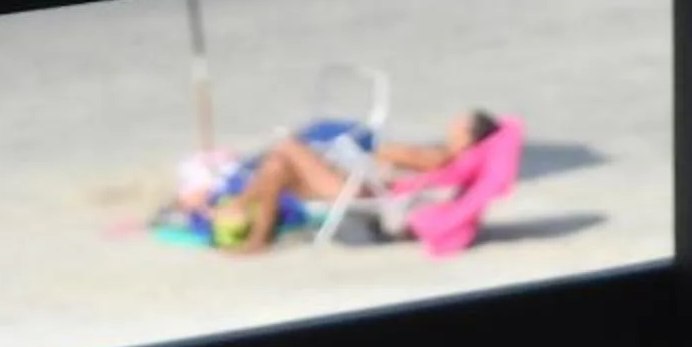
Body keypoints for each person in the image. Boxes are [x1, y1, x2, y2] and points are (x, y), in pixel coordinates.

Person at [211, 110, 503, 253]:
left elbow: (387, 155)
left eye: (459, 122)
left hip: (362, 193)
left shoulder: (439, 156)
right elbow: (387, 158)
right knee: (276, 166)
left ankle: (236, 206)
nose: (452, 122)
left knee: (287, 146)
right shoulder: (441, 155)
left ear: (467, 134)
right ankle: (258, 239)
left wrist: (377, 156)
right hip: (357, 182)